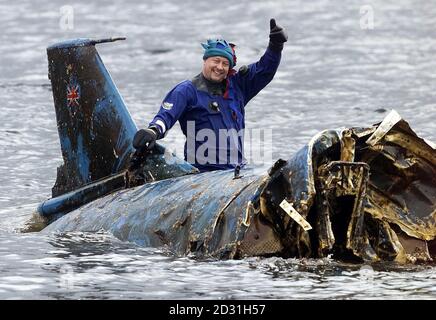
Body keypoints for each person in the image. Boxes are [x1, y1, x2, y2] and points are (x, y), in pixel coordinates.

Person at [133, 18, 288, 172]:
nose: (220, 67)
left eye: (225, 64)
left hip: (237, 171)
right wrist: (153, 131)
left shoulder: (237, 87)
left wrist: (275, 46)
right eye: (216, 61)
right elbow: (165, 117)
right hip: (203, 175)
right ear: (205, 61)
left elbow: (264, 70)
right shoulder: (186, 90)